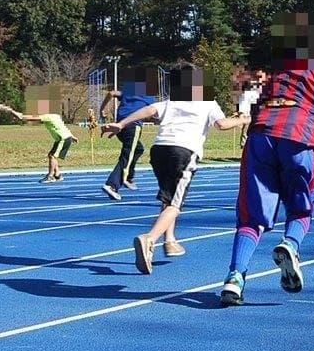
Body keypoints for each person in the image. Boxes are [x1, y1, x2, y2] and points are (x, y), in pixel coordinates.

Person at [220, 14, 314, 307]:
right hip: (300, 137)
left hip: (261, 136)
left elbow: (253, 98)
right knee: (300, 208)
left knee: (250, 217)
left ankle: (235, 279)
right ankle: (290, 245)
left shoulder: (278, 74)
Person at [103, 63, 248, 272]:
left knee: (168, 196)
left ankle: (169, 239)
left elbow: (149, 110)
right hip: (184, 152)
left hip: (159, 150)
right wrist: (244, 119)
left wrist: (122, 123)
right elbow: (221, 125)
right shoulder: (207, 102)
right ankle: (150, 238)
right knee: (175, 205)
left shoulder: (173, 101)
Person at [100, 68, 159, 201]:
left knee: (138, 149)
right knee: (126, 156)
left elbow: (111, 93)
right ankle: (112, 184)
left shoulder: (128, 92)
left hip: (119, 125)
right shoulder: (149, 96)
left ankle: (129, 177)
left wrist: (102, 109)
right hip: (132, 126)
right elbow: (153, 113)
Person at [16, 86, 78, 183]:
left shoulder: (48, 116)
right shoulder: (54, 115)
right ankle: (57, 174)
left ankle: (50, 176)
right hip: (63, 138)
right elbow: (63, 126)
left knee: (52, 156)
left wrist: (21, 116)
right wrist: (72, 136)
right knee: (52, 155)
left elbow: (33, 118)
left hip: (63, 138)